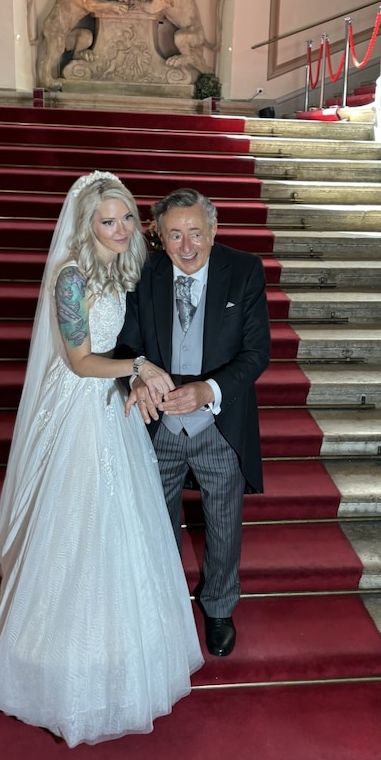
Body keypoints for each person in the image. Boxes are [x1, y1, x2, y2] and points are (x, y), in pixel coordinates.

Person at [0, 171, 203, 748]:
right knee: (73, 528)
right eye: (108, 221)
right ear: (86, 224)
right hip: (75, 409)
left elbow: (120, 342)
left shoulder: (121, 268)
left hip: (108, 409)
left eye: (126, 218)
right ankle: (54, 660)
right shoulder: (70, 277)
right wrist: (139, 368)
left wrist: (137, 367)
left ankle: (121, 652)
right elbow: (77, 361)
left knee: (120, 529)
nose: (121, 229)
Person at [118, 188, 271, 658]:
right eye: (175, 235)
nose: (187, 247)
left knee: (224, 524)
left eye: (196, 233)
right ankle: (162, 605)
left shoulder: (243, 270)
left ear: (214, 230)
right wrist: (138, 379)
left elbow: (256, 354)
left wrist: (209, 390)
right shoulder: (142, 273)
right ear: (158, 237)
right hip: (157, 425)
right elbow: (123, 343)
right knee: (155, 523)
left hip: (218, 425)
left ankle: (220, 608)